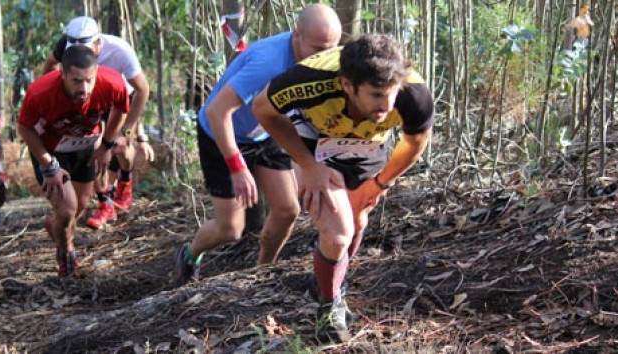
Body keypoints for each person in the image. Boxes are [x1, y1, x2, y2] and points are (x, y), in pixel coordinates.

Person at [251, 34, 434, 341]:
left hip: (367, 146)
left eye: (390, 94)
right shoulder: (309, 80)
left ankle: (331, 282)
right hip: (314, 141)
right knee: (337, 234)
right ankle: (328, 304)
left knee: (357, 218)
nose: (386, 105)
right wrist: (309, 167)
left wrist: (379, 184)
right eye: (376, 95)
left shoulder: (413, 94)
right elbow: (262, 108)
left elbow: (416, 142)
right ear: (348, 85)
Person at [173, 4, 342, 287]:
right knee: (230, 229)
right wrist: (237, 167)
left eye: (331, 48)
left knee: (288, 210)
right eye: (317, 49)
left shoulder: (326, 59)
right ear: (297, 35)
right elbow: (217, 112)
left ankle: (260, 274)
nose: (324, 57)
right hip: (221, 134)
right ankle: (189, 255)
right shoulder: (269, 63)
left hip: (266, 131)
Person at [18, 45, 129, 278]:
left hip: (86, 145)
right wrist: (48, 165)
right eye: (77, 81)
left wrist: (107, 145)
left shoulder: (112, 82)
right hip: (50, 149)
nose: (84, 88)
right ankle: (65, 253)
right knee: (68, 209)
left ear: (97, 72)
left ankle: (58, 227)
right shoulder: (41, 92)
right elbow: (24, 127)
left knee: (80, 205)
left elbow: (122, 108)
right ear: (63, 74)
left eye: (89, 80)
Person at [43, 16, 153, 228]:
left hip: (121, 99)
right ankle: (106, 203)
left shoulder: (120, 50)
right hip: (91, 100)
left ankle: (125, 183)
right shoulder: (64, 45)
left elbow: (143, 90)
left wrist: (128, 132)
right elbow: (49, 65)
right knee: (95, 149)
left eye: (86, 50)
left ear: (98, 43)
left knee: (121, 148)